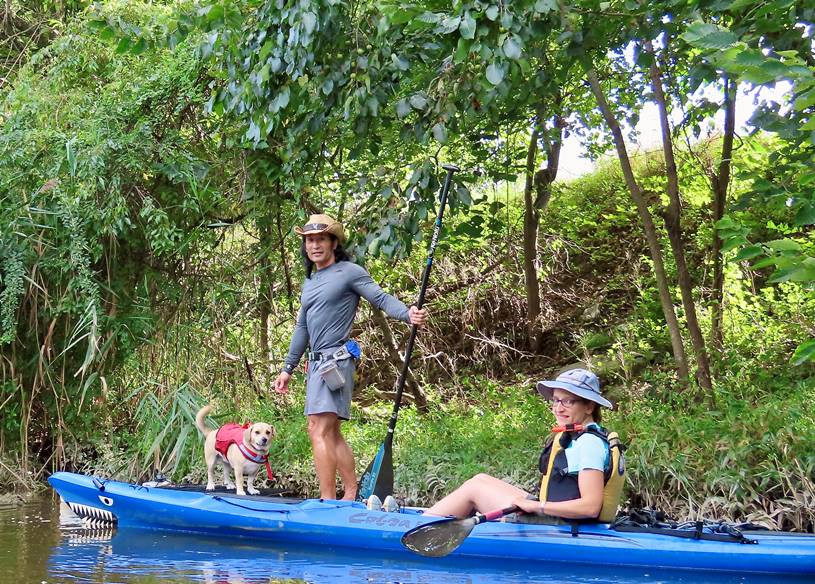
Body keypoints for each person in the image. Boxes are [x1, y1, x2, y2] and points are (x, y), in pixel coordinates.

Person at [274, 213, 427, 501]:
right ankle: (351, 491)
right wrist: (287, 368)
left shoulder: (349, 272)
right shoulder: (310, 282)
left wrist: (408, 314)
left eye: (320, 239)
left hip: (337, 360)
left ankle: (327, 500)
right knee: (329, 432)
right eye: (309, 240)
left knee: (316, 428)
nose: (314, 245)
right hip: (317, 363)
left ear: (334, 242)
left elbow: (380, 298)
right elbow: (302, 327)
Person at [424, 368, 620, 521]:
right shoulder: (580, 434)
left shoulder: (588, 443)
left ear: (589, 406)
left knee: (474, 490)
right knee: (480, 479)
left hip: (560, 525)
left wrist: (538, 507)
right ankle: (432, 520)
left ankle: (417, 528)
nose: (558, 408)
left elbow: (590, 507)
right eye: (555, 400)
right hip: (557, 518)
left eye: (568, 401)